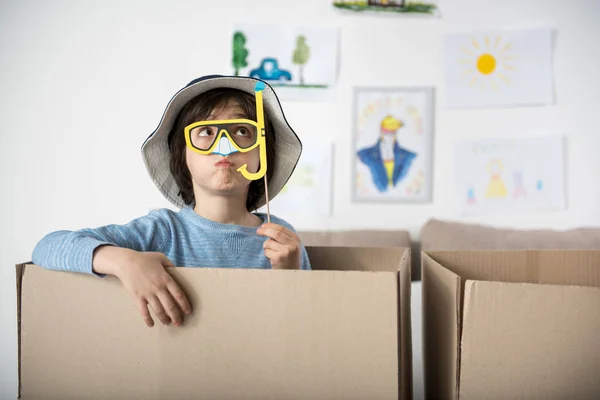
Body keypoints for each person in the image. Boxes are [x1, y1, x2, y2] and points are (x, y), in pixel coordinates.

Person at [32, 75, 311, 328]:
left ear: (262, 153)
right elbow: (47, 247)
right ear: (182, 154)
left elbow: (303, 326)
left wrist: (288, 276)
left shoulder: (284, 240)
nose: (225, 147)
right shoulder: (162, 231)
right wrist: (124, 262)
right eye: (206, 133)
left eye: (241, 131)